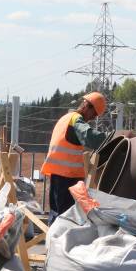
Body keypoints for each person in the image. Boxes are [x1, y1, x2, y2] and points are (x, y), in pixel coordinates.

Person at [40, 91, 109, 222]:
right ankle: (60, 241)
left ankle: (54, 239)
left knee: (57, 214)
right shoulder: (75, 120)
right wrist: (113, 137)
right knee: (66, 216)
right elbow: (91, 138)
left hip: (59, 175)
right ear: (87, 106)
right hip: (67, 177)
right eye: (94, 114)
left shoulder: (66, 118)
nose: (93, 118)